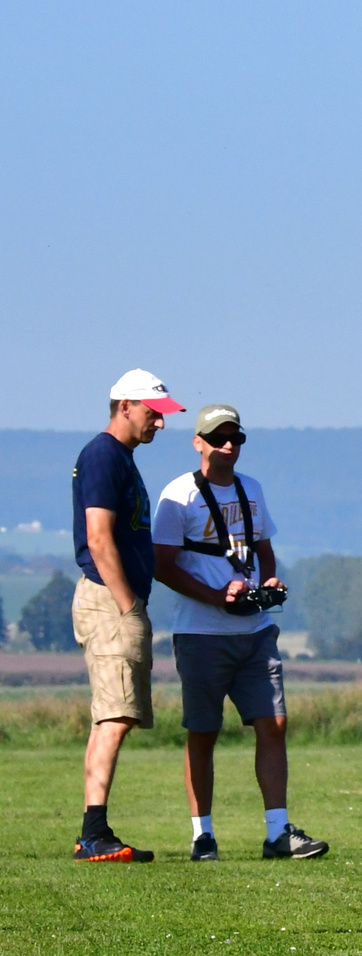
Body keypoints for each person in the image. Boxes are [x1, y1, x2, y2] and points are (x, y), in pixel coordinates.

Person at [153, 404, 328, 861]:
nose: (228, 445)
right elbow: (162, 567)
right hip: (201, 634)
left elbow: (264, 550)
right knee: (203, 732)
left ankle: (277, 832)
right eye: (218, 437)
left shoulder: (253, 489)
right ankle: (202, 835)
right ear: (198, 442)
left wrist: (266, 581)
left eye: (236, 438)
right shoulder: (178, 495)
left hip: (256, 629)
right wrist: (216, 596)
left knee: (274, 724)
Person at [71, 369, 183, 863]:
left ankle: (92, 831)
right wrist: (127, 604)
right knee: (116, 716)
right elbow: (98, 538)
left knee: (110, 719)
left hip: (113, 599)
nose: (159, 424)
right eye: (153, 414)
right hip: (109, 600)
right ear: (125, 407)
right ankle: (94, 833)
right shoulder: (103, 455)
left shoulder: (120, 458)